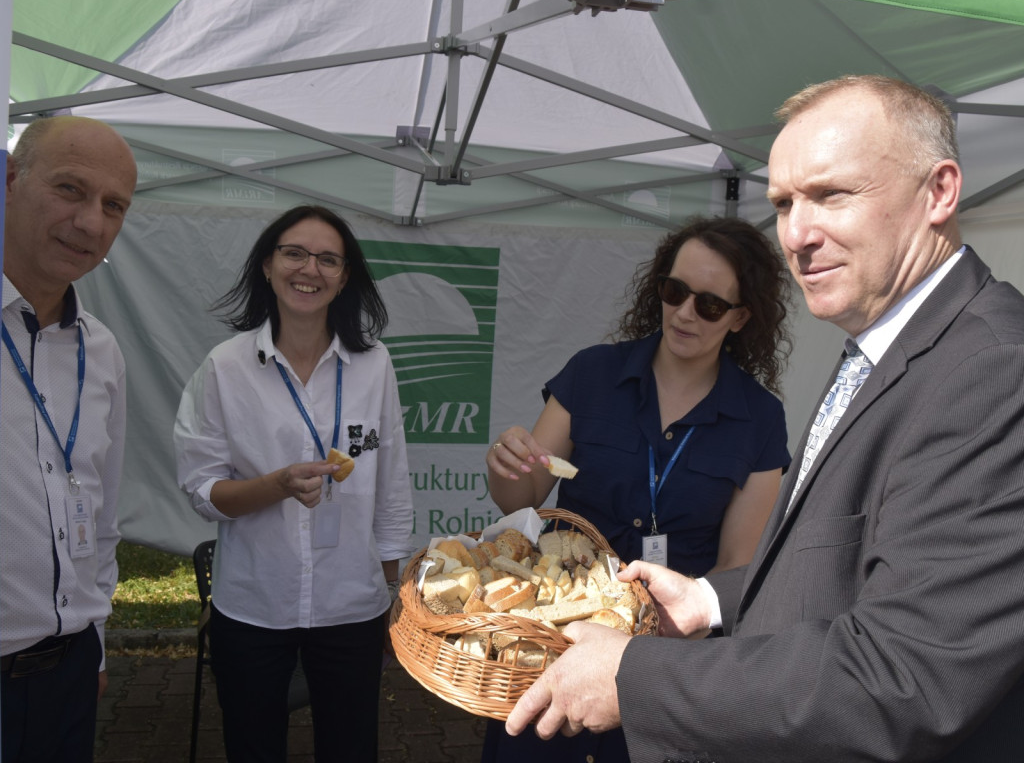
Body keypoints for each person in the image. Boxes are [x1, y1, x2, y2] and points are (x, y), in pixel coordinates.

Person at [505, 74, 1024, 762]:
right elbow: (843, 573)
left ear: (940, 192)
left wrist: (635, 679)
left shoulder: (992, 368)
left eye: (831, 194)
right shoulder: (890, 347)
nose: (798, 234)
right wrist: (711, 601)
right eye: (783, 203)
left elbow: (906, 677)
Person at [484, 215, 793, 762]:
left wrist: (645, 646)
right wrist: (507, 463)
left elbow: (735, 567)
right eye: (675, 292)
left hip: (666, 663)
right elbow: (522, 497)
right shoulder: (592, 374)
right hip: (556, 638)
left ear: (741, 317)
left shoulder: (760, 419)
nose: (684, 313)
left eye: (710, 305)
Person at [173, 204, 413, 762]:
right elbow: (202, 492)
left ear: (345, 276)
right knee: (253, 747)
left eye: (329, 259)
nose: (311, 269)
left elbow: (391, 483)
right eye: (294, 253)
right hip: (255, 603)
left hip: (352, 603)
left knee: (351, 749)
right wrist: (276, 485)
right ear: (266, 265)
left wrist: (390, 592)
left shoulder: (374, 365)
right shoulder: (225, 367)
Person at [1, 115, 136, 761]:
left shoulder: (102, 351)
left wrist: (98, 642)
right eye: (70, 190)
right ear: (8, 180)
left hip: (70, 671)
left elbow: (102, 517)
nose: (91, 223)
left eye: (114, 206)